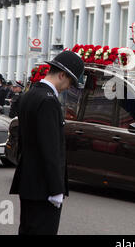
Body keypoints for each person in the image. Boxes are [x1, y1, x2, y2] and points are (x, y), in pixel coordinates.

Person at [10, 51, 85, 235]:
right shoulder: (49, 101)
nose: (68, 88)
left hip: (28, 182)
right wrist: (56, 189)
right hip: (43, 187)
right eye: (70, 82)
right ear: (61, 75)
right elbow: (50, 149)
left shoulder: (29, 95)